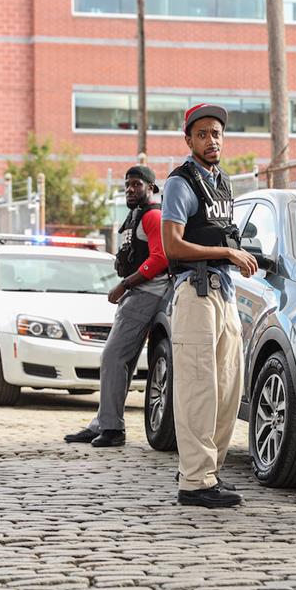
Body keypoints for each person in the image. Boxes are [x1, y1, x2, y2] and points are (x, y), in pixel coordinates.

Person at [161, 103, 257, 509]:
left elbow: (223, 234)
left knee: (227, 390)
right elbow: (172, 245)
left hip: (224, 292)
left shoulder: (223, 183)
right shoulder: (180, 182)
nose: (211, 139)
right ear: (189, 140)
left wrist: (240, 253)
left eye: (216, 132)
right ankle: (195, 483)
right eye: (202, 134)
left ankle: (208, 474)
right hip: (195, 292)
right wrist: (226, 252)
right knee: (199, 390)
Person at [65, 166, 169, 447]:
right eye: (127, 185)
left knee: (112, 358)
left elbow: (160, 259)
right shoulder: (136, 217)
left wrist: (124, 285)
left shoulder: (153, 216)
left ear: (151, 187)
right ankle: (104, 422)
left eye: (137, 184)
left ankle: (112, 428)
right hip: (138, 292)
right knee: (120, 361)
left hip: (147, 292)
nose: (130, 189)